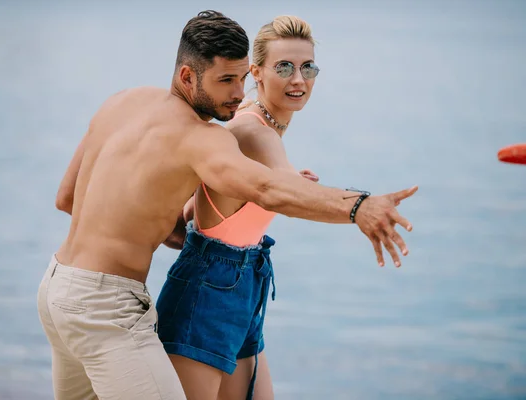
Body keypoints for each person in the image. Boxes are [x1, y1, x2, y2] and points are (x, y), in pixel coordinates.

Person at [38, 10, 417, 400]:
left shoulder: (123, 102)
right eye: (225, 81)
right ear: (188, 76)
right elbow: (269, 189)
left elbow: (66, 197)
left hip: (57, 287)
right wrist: (359, 207)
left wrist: (155, 225)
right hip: (106, 307)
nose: (238, 93)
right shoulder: (203, 139)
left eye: (240, 78)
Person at [154, 15, 354, 400]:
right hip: (210, 288)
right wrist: (364, 207)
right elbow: (290, 197)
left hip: (240, 280)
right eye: (284, 67)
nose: (299, 79)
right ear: (256, 72)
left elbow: (194, 208)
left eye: (307, 67)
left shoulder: (263, 126)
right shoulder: (253, 131)